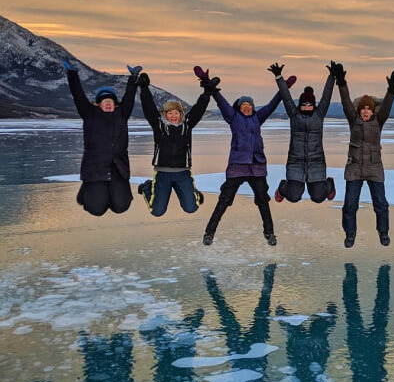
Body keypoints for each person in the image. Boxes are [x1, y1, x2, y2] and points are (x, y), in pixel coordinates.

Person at [202, 71, 297, 247]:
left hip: (257, 167)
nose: (247, 107)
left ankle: (269, 233)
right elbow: (222, 103)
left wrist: (284, 87)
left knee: (263, 201)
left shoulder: (258, 118)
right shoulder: (233, 117)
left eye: (249, 105)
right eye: (244, 105)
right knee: (224, 200)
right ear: (239, 107)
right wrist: (212, 89)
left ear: (253, 108)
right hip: (238, 166)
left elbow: (273, 104)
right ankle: (209, 233)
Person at [136, 68, 220, 216]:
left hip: (183, 173)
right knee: (157, 211)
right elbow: (148, 107)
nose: (173, 116)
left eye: (176, 113)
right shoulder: (159, 125)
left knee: (192, 208)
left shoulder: (187, 125)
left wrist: (207, 93)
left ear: (181, 114)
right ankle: (147, 187)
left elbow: (198, 109)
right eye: (170, 113)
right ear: (165, 114)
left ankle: (193, 194)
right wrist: (144, 88)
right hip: (162, 173)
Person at [64, 60, 141, 216]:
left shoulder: (122, 114)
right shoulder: (89, 114)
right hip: (94, 168)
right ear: (98, 104)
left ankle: (111, 192)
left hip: (118, 167)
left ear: (115, 104)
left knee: (121, 207)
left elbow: (129, 97)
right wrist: (72, 74)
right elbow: (77, 95)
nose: (107, 104)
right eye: (104, 101)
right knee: (96, 210)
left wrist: (133, 77)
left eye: (110, 101)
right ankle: (87, 191)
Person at [335, 64, 394, 248]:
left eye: (368, 109)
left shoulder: (379, 121)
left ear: (373, 111)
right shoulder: (353, 120)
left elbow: (387, 105)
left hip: (374, 167)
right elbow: (346, 101)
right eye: (362, 108)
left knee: (381, 204)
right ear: (359, 111)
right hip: (354, 167)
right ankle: (350, 234)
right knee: (349, 205)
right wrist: (341, 82)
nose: (365, 111)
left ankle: (383, 232)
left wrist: (392, 90)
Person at [268, 61, 336, 204]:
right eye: (303, 104)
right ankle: (282, 187)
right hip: (295, 162)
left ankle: (329, 184)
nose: (306, 107)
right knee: (293, 197)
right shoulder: (294, 115)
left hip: (316, 162)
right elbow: (286, 97)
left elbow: (326, 97)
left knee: (318, 197)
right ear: (300, 105)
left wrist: (332, 77)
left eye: (309, 104)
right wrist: (279, 77)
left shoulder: (319, 115)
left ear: (313, 105)